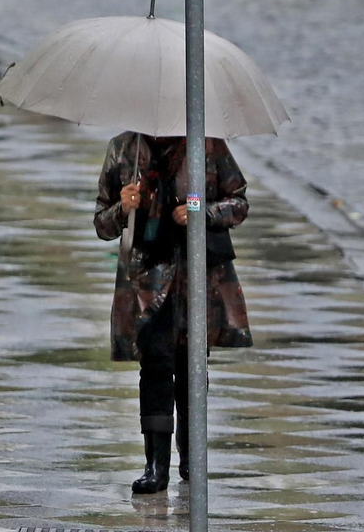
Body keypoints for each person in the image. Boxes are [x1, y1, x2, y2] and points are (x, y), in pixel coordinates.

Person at [94, 133, 252, 494]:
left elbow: (239, 202)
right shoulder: (123, 149)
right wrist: (123, 208)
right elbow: (101, 223)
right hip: (144, 281)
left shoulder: (206, 145)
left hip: (196, 277)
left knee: (192, 366)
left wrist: (201, 211)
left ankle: (191, 455)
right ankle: (155, 465)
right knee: (156, 366)